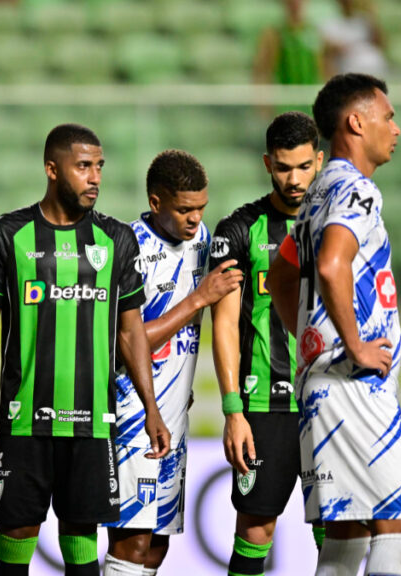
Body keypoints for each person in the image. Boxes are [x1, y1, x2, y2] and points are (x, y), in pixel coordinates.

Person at [0, 124, 171, 576]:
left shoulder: (117, 239)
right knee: (16, 540)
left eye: (99, 166)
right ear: (52, 169)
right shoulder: (7, 235)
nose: (95, 177)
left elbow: (130, 330)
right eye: (83, 166)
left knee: (82, 545)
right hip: (23, 421)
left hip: (94, 421)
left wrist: (151, 407)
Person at [266, 73, 401, 575]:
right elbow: (332, 264)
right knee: (397, 530)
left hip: (322, 382)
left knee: (346, 533)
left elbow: (282, 272)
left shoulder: (317, 191)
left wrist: (309, 340)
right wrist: (353, 345)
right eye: (388, 116)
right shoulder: (357, 191)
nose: (395, 128)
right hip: (354, 385)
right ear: (357, 121)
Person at [101, 150, 241, 576]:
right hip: (131, 414)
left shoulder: (203, 241)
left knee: (157, 547)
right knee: (132, 540)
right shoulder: (127, 246)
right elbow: (127, 341)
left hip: (175, 415)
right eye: (184, 209)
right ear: (156, 202)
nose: (195, 218)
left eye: (201, 208)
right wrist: (199, 298)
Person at [210, 111, 324, 576]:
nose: (294, 179)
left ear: (319, 160)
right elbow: (222, 326)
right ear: (266, 164)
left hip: (328, 398)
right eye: (283, 167)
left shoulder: (341, 224)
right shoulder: (239, 229)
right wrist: (233, 411)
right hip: (262, 403)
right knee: (256, 529)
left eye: (303, 166)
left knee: (336, 530)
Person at [254, 0, 322, 86]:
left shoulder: (316, 33)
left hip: (310, 94)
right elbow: (261, 72)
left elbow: (323, 70)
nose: (295, 2)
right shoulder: (273, 34)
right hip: (282, 96)